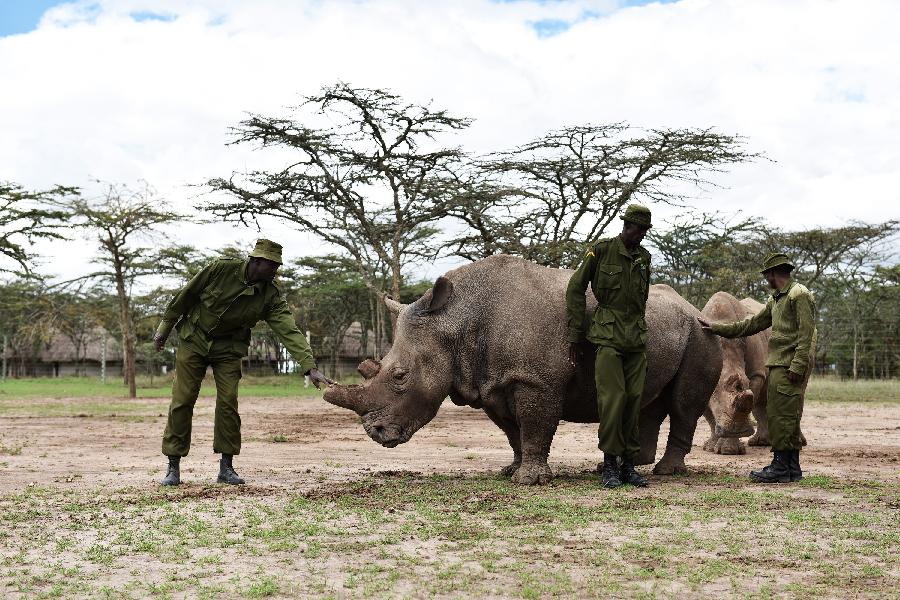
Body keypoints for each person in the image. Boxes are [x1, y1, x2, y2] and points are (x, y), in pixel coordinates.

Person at [154, 239, 333, 486]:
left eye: (278, 267)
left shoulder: (270, 296)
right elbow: (188, 294)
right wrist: (165, 327)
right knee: (182, 400)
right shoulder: (220, 269)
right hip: (193, 339)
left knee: (228, 403)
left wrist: (309, 366)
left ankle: (226, 469)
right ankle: (173, 467)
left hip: (229, 348)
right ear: (256, 262)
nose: (275, 271)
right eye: (272, 266)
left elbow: (288, 330)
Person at [698, 252, 816, 483]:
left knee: (783, 417)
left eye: (767, 275)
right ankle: (791, 467)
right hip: (778, 363)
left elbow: (806, 333)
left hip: (790, 364)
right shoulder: (777, 299)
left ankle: (781, 466)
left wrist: (798, 365)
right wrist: (718, 328)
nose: (766, 279)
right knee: (780, 414)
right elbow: (752, 324)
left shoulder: (799, 294)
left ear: (773, 274)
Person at [566, 204, 653, 488]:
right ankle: (609, 466)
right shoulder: (601, 250)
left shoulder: (644, 257)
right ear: (627, 226)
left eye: (644, 231)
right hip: (607, 337)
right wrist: (575, 334)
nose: (641, 235)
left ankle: (629, 466)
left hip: (636, 339)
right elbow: (576, 287)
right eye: (638, 229)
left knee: (633, 400)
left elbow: (642, 299)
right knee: (613, 400)